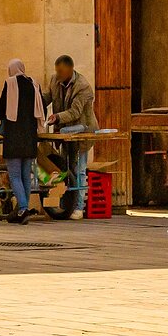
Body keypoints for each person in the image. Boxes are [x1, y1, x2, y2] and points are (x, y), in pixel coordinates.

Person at [45, 54, 98, 220]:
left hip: (82, 130)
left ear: (70, 70)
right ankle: (66, 205)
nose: (58, 75)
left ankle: (79, 206)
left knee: (80, 170)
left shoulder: (83, 87)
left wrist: (57, 117)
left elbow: (75, 112)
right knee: (66, 168)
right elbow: (46, 97)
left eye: (61, 72)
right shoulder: (55, 81)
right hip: (65, 132)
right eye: (57, 71)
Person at [0, 59, 41, 223]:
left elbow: (1, 110)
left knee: (14, 175)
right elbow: (40, 107)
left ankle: (23, 208)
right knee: (25, 176)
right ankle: (23, 210)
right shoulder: (34, 84)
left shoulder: (10, 83)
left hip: (14, 137)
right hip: (30, 136)